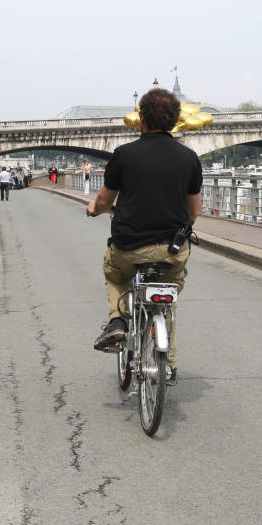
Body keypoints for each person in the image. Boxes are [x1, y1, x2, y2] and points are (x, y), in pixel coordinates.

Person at [85, 88, 202, 384]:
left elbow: (104, 202)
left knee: (114, 276)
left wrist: (93, 209)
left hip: (129, 246)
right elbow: (194, 211)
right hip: (171, 250)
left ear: (142, 119)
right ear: (175, 120)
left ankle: (117, 322)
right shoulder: (189, 158)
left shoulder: (124, 155)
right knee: (166, 298)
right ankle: (169, 364)